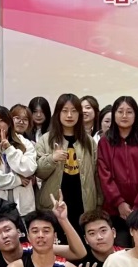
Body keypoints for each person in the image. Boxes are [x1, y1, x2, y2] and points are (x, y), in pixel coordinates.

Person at [96, 95, 138, 244]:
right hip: (115, 210)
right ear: (114, 114)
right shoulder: (105, 141)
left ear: (136, 115)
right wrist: (119, 203)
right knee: (120, 250)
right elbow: (104, 175)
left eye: (129, 112)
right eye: (120, 111)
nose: (124, 116)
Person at [35, 94, 99, 232]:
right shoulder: (46, 139)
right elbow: (38, 172)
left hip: (83, 204)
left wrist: (98, 204)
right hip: (54, 205)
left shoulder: (89, 141)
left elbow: (96, 175)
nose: (69, 115)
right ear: (58, 113)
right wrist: (52, 158)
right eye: (65, 111)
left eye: (74, 111)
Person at [0, 106, 37, 216]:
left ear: (9, 122)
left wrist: (9, 149)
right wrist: (17, 180)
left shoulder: (25, 143)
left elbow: (28, 169)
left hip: (24, 208)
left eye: (1, 121)